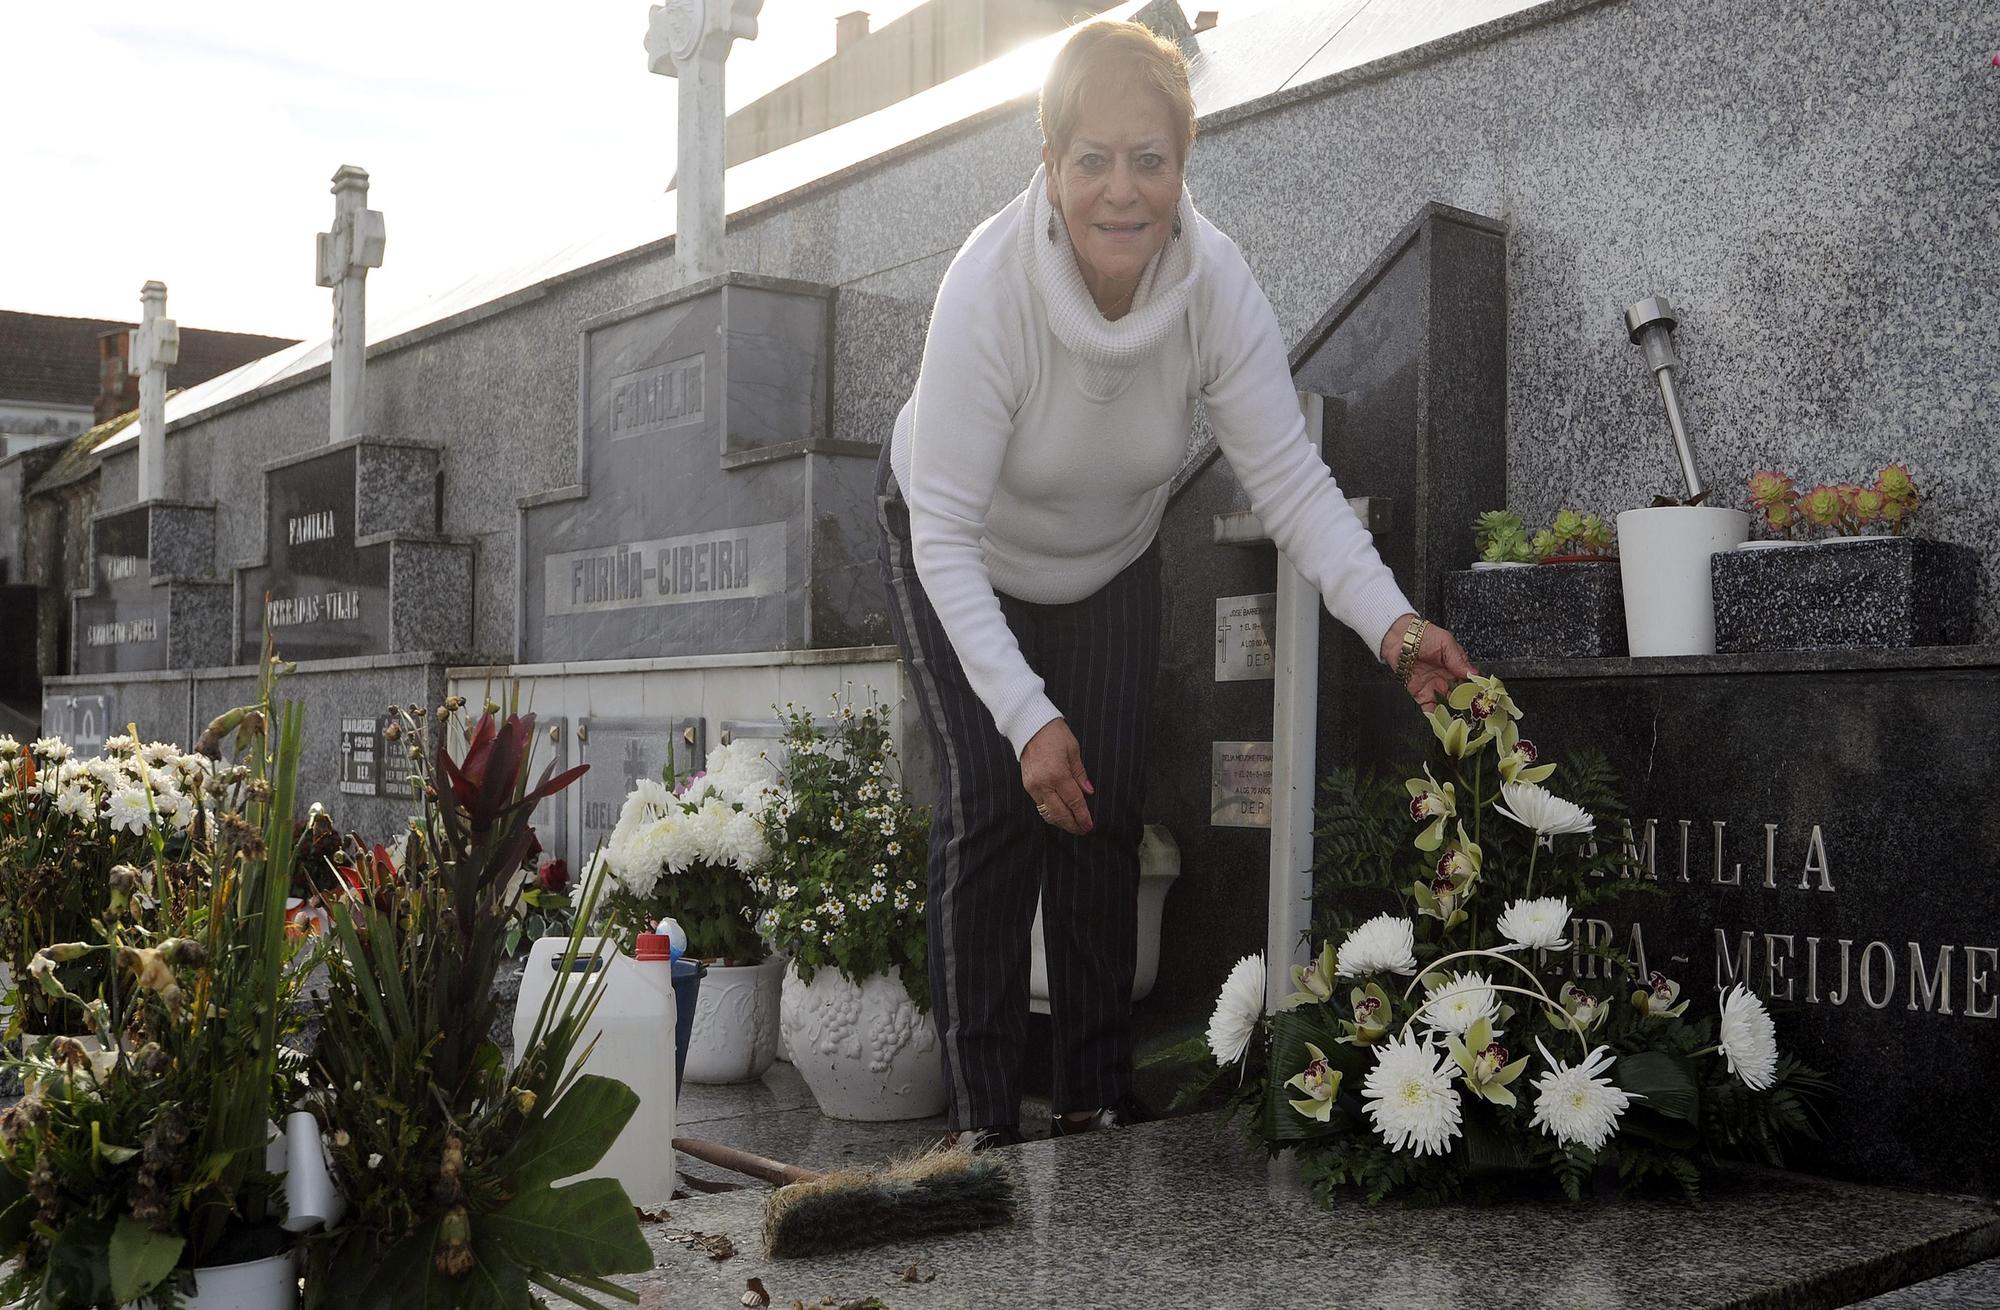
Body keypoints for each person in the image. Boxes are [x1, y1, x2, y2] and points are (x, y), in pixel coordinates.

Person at [875, 19, 1475, 1148]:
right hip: (953, 548)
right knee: (997, 806)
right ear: (1048, 166)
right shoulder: (986, 289)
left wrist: (1394, 628)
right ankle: (982, 1125)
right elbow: (943, 535)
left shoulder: (1212, 286)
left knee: (1098, 816)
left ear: (1182, 165)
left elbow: (1292, 484)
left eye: (1148, 159)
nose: (1121, 191)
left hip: (1105, 556)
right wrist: (1023, 712)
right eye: (1091, 159)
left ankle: (1096, 1101)